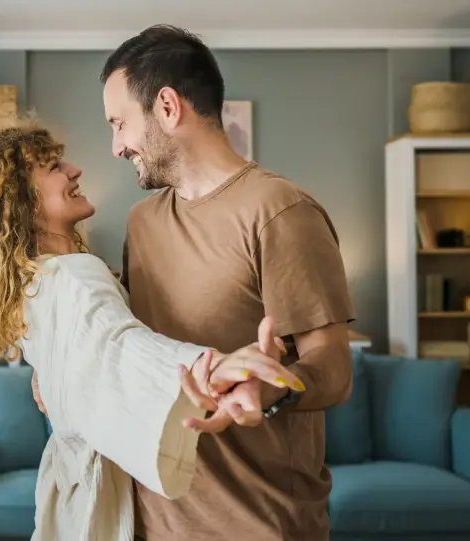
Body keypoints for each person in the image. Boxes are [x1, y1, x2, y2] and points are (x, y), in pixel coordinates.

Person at [0, 122, 303, 541]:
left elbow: (90, 349)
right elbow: (117, 345)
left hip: (70, 487)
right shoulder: (74, 276)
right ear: (20, 201)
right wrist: (212, 368)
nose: (75, 169)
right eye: (53, 166)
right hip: (94, 488)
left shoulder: (35, 283)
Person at [102, 25, 356, 541]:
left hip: (260, 523)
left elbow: (335, 367)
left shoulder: (280, 211)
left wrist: (271, 388)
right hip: (152, 520)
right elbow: (126, 346)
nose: (116, 146)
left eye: (120, 123)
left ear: (168, 107)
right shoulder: (141, 223)